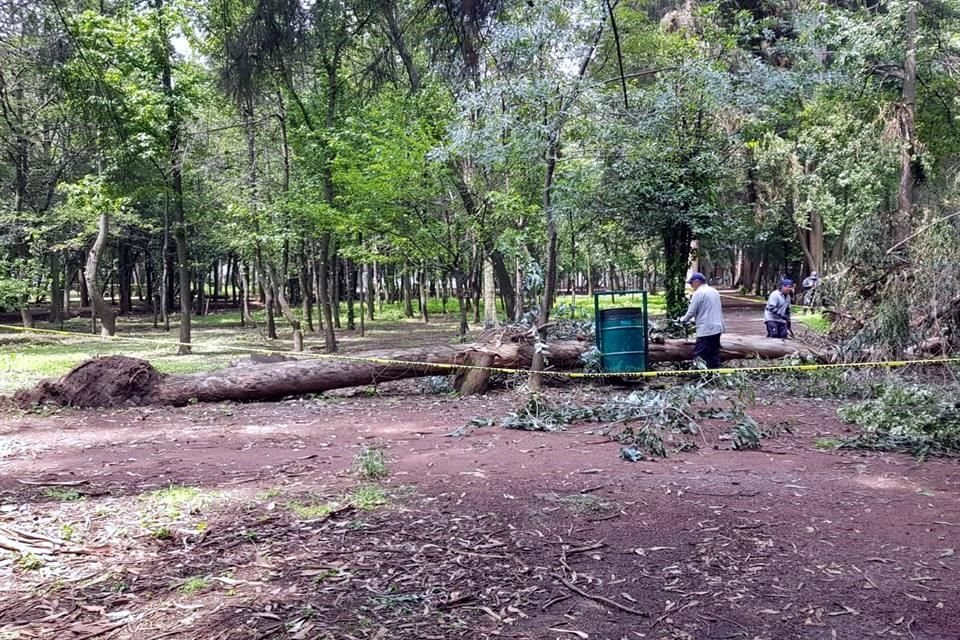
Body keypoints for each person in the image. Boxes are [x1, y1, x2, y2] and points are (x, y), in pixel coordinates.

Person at [678, 272, 725, 369]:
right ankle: (714, 375)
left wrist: (682, 320)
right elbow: (708, 309)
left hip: (706, 329)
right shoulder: (714, 291)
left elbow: (691, 312)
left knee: (700, 355)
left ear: (697, 281)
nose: (691, 285)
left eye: (691, 283)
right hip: (717, 327)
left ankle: (700, 376)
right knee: (713, 354)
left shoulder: (698, 293)